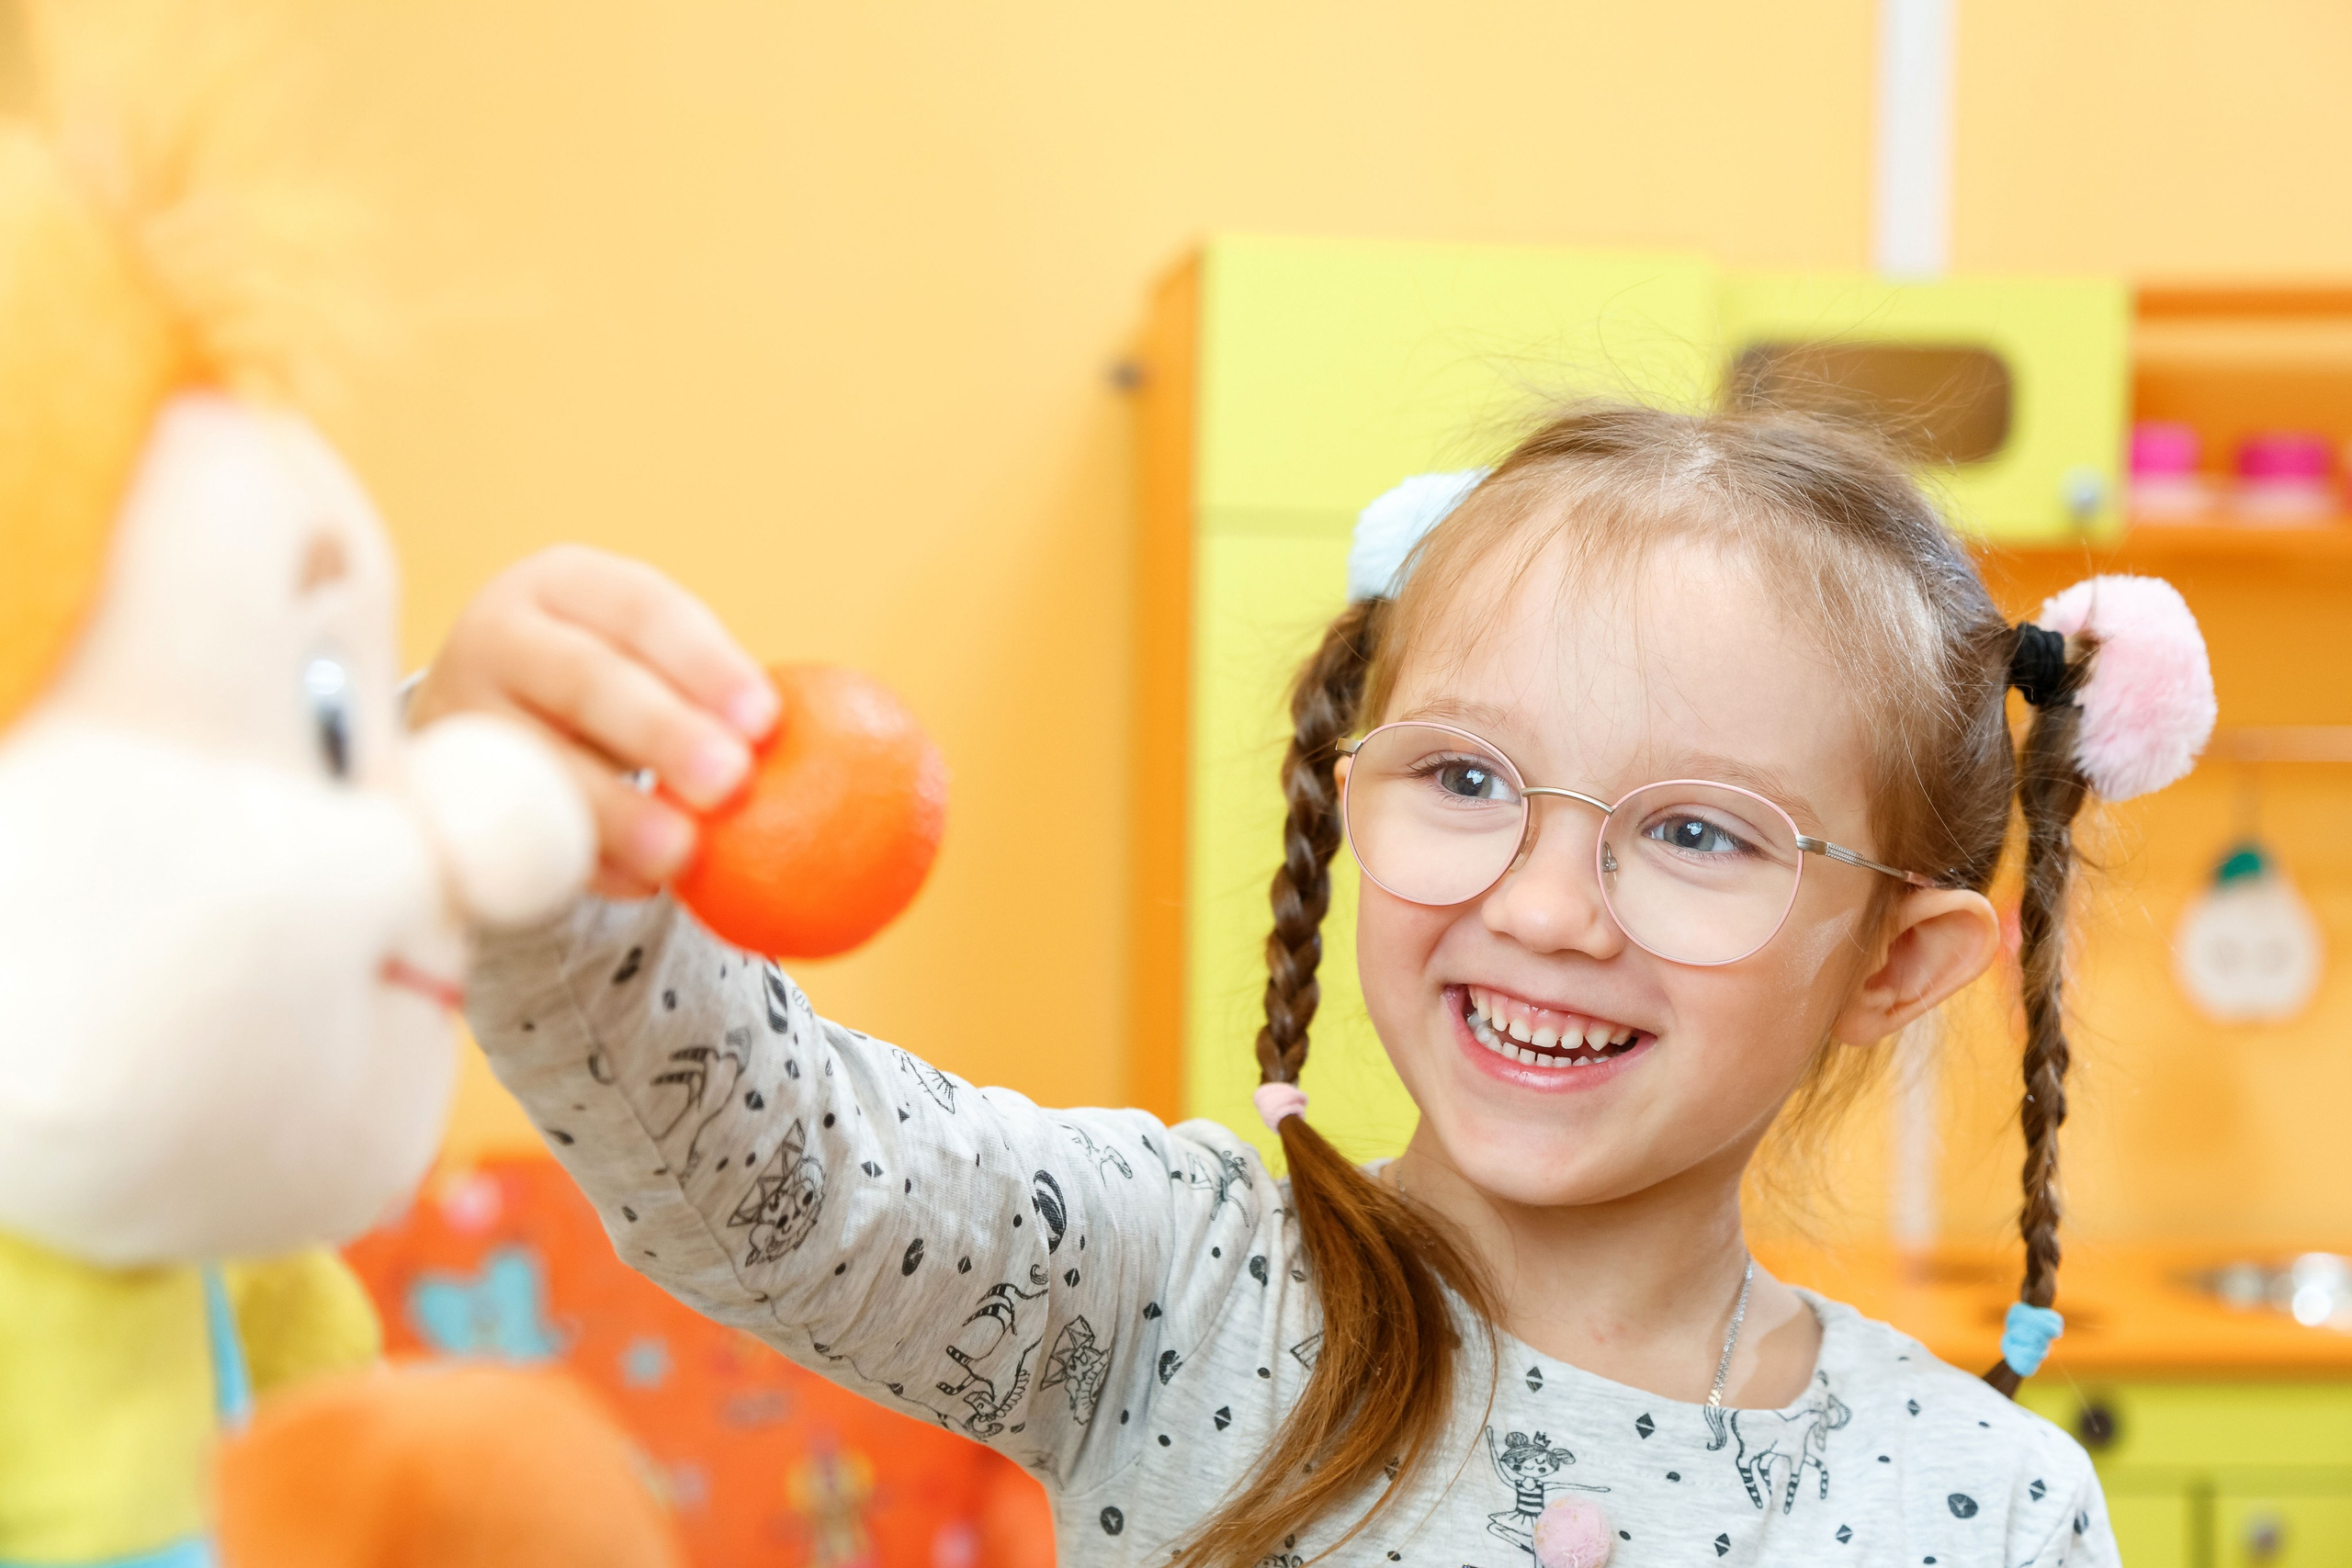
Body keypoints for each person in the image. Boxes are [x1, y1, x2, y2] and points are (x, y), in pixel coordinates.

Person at [413, 403, 2216, 1564]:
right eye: (1462, 780)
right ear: (1347, 796)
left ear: (1891, 965)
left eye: (1693, 834)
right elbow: (771, 1169)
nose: (1546, 908)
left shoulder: (1980, 1507)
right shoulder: (1157, 1273)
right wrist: (524, 829)